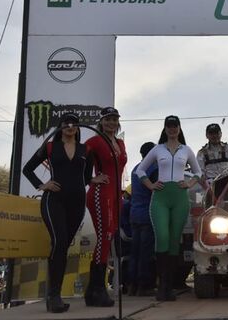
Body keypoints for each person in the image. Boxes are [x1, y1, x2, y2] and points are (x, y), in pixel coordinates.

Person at [22, 113, 101, 313]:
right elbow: (27, 169)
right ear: (61, 126)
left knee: (63, 245)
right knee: (59, 241)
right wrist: (42, 185)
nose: (70, 125)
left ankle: (53, 294)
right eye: (66, 122)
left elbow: (84, 178)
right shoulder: (50, 147)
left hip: (76, 202)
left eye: (74, 122)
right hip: (53, 201)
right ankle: (54, 295)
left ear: (78, 127)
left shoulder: (87, 149)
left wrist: (93, 180)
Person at [135, 115, 202, 301]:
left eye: (175, 126)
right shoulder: (158, 149)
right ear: (164, 129)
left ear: (180, 128)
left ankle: (168, 286)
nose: (172, 129)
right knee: (162, 237)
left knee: (174, 241)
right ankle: (162, 286)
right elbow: (140, 170)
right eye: (169, 126)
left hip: (180, 198)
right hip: (160, 198)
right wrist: (150, 185)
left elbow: (198, 171)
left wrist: (189, 183)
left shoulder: (186, 150)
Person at [84, 106, 128, 307]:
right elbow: (79, 163)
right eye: (107, 119)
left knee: (109, 236)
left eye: (114, 119)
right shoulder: (94, 141)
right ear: (101, 122)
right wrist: (91, 179)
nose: (111, 122)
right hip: (101, 194)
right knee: (104, 237)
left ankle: (93, 291)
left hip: (116, 194)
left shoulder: (120, 142)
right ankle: (97, 289)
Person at [128, 142, 158, 297]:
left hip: (134, 215)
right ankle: (144, 286)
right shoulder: (152, 169)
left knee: (135, 252)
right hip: (147, 215)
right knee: (146, 253)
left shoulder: (135, 169)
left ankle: (131, 285)